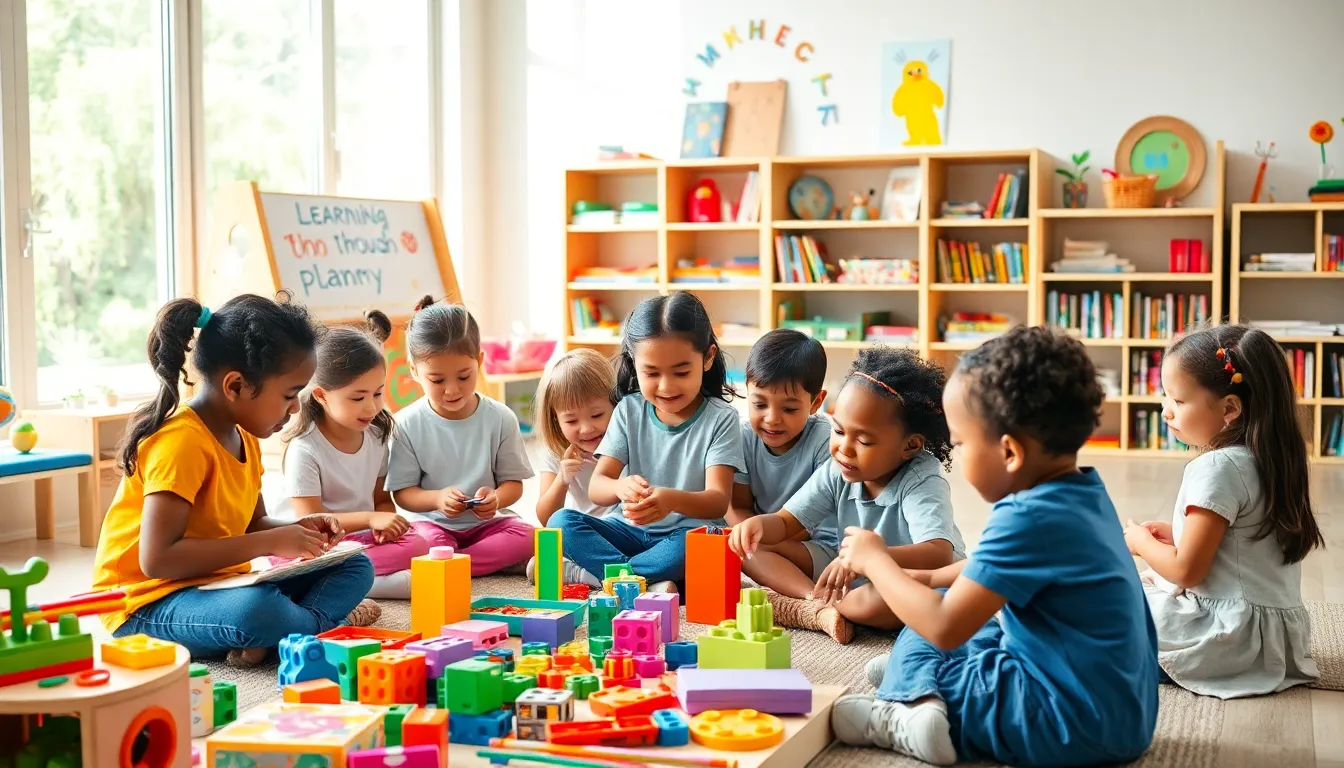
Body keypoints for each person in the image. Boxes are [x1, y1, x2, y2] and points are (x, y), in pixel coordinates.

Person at [832, 326, 1157, 766]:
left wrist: (877, 560)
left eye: (961, 443)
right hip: (1126, 720)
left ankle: (906, 708)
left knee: (924, 628)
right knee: (972, 617)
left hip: (1067, 725)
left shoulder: (1026, 518)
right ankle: (915, 674)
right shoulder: (1081, 493)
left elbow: (944, 626)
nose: (957, 454)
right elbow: (984, 571)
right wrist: (928, 576)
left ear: (1009, 453)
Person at [93, 294, 378, 668]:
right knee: (256, 611)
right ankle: (314, 628)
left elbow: (253, 524)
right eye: (289, 394)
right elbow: (157, 559)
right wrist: (272, 541)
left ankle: (284, 634)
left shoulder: (244, 434)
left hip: (217, 585)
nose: (296, 407)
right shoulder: (181, 442)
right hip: (146, 603)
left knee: (355, 567)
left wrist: (297, 529)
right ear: (236, 386)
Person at [1125, 324, 1322, 698]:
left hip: (1224, 640)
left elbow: (1187, 571)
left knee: (1106, 597)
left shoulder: (1218, 467)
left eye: (1178, 401)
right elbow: (1243, 542)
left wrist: (1140, 543)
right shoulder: (1269, 458)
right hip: (1273, 643)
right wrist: (1179, 534)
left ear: (1230, 408)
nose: (1165, 412)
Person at [730, 347, 964, 640]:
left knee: (871, 601)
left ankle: (836, 606)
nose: (844, 448)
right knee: (750, 549)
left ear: (910, 446)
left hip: (919, 581)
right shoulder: (838, 468)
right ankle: (815, 602)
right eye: (839, 431)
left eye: (863, 441)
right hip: (852, 575)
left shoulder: (920, 479)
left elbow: (937, 554)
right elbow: (786, 522)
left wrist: (870, 559)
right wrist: (758, 525)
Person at [555, 292, 744, 591]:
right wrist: (620, 487)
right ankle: (644, 581)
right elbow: (598, 487)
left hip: (685, 535)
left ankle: (608, 577)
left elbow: (718, 500)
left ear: (707, 358)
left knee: (702, 543)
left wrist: (671, 500)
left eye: (681, 372)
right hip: (627, 531)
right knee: (561, 522)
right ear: (634, 364)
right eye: (651, 373)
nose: (666, 386)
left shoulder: (721, 418)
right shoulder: (629, 410)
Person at [280, 310, 427, 599]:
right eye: (358, 397)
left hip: (360, 541)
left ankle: (356, 582)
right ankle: (369, 584)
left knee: (420, 543)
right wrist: (371, 519)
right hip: (317, 543)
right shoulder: (305, 449)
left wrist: (386, 525)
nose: (371, 407)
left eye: (378, 393)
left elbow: (382, 501)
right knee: (311, 562)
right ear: (321, 396)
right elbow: (309, 521)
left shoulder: (376, 435)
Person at [385, 296, 534, 575]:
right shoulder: (405, 424)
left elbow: (513, 485)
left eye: (464, 377)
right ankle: (465, 562)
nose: (452, 390)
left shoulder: (501, 418)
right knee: (424, 543)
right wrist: (437, 499)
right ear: (414, 370)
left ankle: (449, 566)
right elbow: (403, 494)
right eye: (437, 380)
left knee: (528, 537)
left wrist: (496, 499)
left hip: (487, 524)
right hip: (431, 524)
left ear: (480, 361)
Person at [727, 330, 840, 635]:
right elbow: (736, 506)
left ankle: (816, 601)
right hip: (770, 542)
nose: (772, 418)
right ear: (746, 393)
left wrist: (765, 535)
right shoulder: (743, 438)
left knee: (753, 550)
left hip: (822, 548)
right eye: (759, 404)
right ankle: (814, 601)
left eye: (789, 409)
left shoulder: (825, 439)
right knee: (740, 549)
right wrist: (748, 535)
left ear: (816, 402)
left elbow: (812, 520)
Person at [528, 349, 620, 587]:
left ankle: (586, 575)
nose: (586, 428)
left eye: (597, 415)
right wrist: (563, 479)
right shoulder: (555, 451)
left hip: (622, 533)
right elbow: (546, 518)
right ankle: (618, 575)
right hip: (582, 537)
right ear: (555, 420)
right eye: (571, 420)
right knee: (548, 545)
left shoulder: (625, 441)